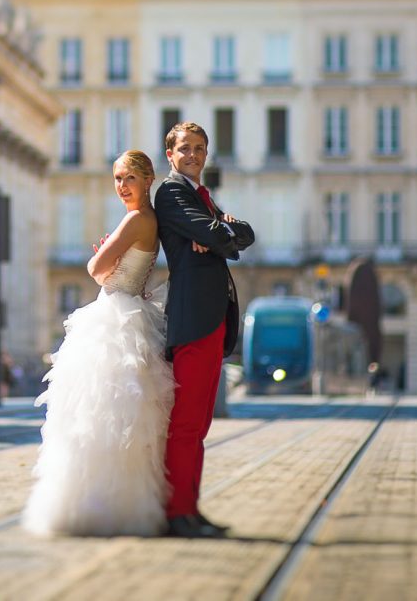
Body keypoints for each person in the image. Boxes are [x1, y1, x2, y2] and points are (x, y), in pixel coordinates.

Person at [22, 150, 173, 537]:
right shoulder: (151, 221)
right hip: (133, 311)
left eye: (129, 178)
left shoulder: (136, 219)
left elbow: (96, 269)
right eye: (118, 179)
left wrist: (108, 255)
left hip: (115, 315)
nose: (122, 186)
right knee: (125, 416)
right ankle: (122, 504)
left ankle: (93, 502)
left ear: (148, 180)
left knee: (94, 412)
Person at [154, 122, 255, 539]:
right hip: (194, 318)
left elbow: (243, 234)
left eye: (199, 148)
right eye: (185, 149)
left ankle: (190, 509)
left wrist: (221, 233)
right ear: (170, 154)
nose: (193, 155)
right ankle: (177, 513)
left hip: (212, 318)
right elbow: (218, 234)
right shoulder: (172, 192)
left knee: (199, 425)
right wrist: (218, 233)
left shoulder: (201, 197)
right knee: (186, 424)